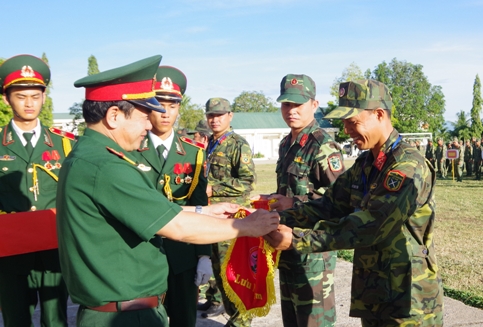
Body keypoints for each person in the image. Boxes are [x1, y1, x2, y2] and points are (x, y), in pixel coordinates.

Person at [55, 55, 278, 327]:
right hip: (125, 315)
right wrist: (245, 226)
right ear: (114, 115)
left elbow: (147, 211)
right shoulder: (105, 166)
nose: (150, 123)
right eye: (142, 115)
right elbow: (178, 228)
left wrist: (204, 210)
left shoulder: (90, 155)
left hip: (122, 308)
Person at [263, 79, 444, 326]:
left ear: (379, 114)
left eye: (353, 121)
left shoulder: (407, 166)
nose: (347, 130)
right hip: (374, 291)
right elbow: (328, 205)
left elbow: (371, 225)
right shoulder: (366, 164)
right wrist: (274, 219)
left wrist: (297, 239)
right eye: (344, 122)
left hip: (408, 298)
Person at [131, 65, 210, 327]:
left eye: (173, 105)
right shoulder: (130, 149)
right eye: (159, 104)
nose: (166, 112)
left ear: (180, 107)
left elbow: (200, 206)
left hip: (182, 257)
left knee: (184, 321)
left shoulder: (193, 152)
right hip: (141, 255)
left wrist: (204, 255)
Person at [0, 54, 74, 327]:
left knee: (56, 320)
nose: (29, 103)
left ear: (44, 97)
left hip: (54, 247)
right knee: (15, 319)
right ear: (7, 99)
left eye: (35, 95)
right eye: (21, 96)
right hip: (10, 250)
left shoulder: (65, 144)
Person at [266, 74, 345, 326]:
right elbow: (290, 189)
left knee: (314, 320)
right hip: (287, 245)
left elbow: (341, 202)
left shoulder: (323, 145)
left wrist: (294, 204)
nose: (291, 111)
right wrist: (271, 200)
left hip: (313, 251)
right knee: (292, 319)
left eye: (298, 104)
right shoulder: (287, 143)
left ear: (314, 104)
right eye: (286, 104)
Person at [200, 97, 257, 326]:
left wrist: (213, 188)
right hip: (212, 216)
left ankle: (242, 320)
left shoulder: (237, 144)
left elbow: (247, 181)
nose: (215, 119)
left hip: (231, 219)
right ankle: (231, 314)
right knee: (217, 269)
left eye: (220, 115)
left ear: (230, 116)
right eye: (211, 115)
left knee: (233, 272)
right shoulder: (210, 143)